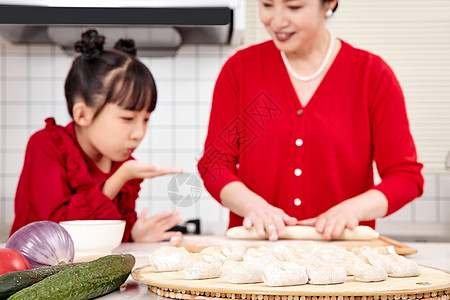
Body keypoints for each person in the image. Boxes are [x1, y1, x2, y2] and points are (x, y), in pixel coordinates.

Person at [197, 0, 424, 241]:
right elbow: (215, 164)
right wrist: (252, 206)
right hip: (255, 257)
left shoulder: (371, 75)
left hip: (344, 261)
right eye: (267, 5)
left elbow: (405, 177)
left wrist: (353, 210)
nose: (277, 21)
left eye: (294, 7)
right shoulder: (241, 70)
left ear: (329, 4)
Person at [10, 29, 184, 242]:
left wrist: (135, 235)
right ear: (82, 114)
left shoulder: (124, 163)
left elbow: (112, 240)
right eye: (128, 118)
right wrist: (118, 179)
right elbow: (58, 233)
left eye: (146, 119)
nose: (139, 133)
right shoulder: (47, 145)